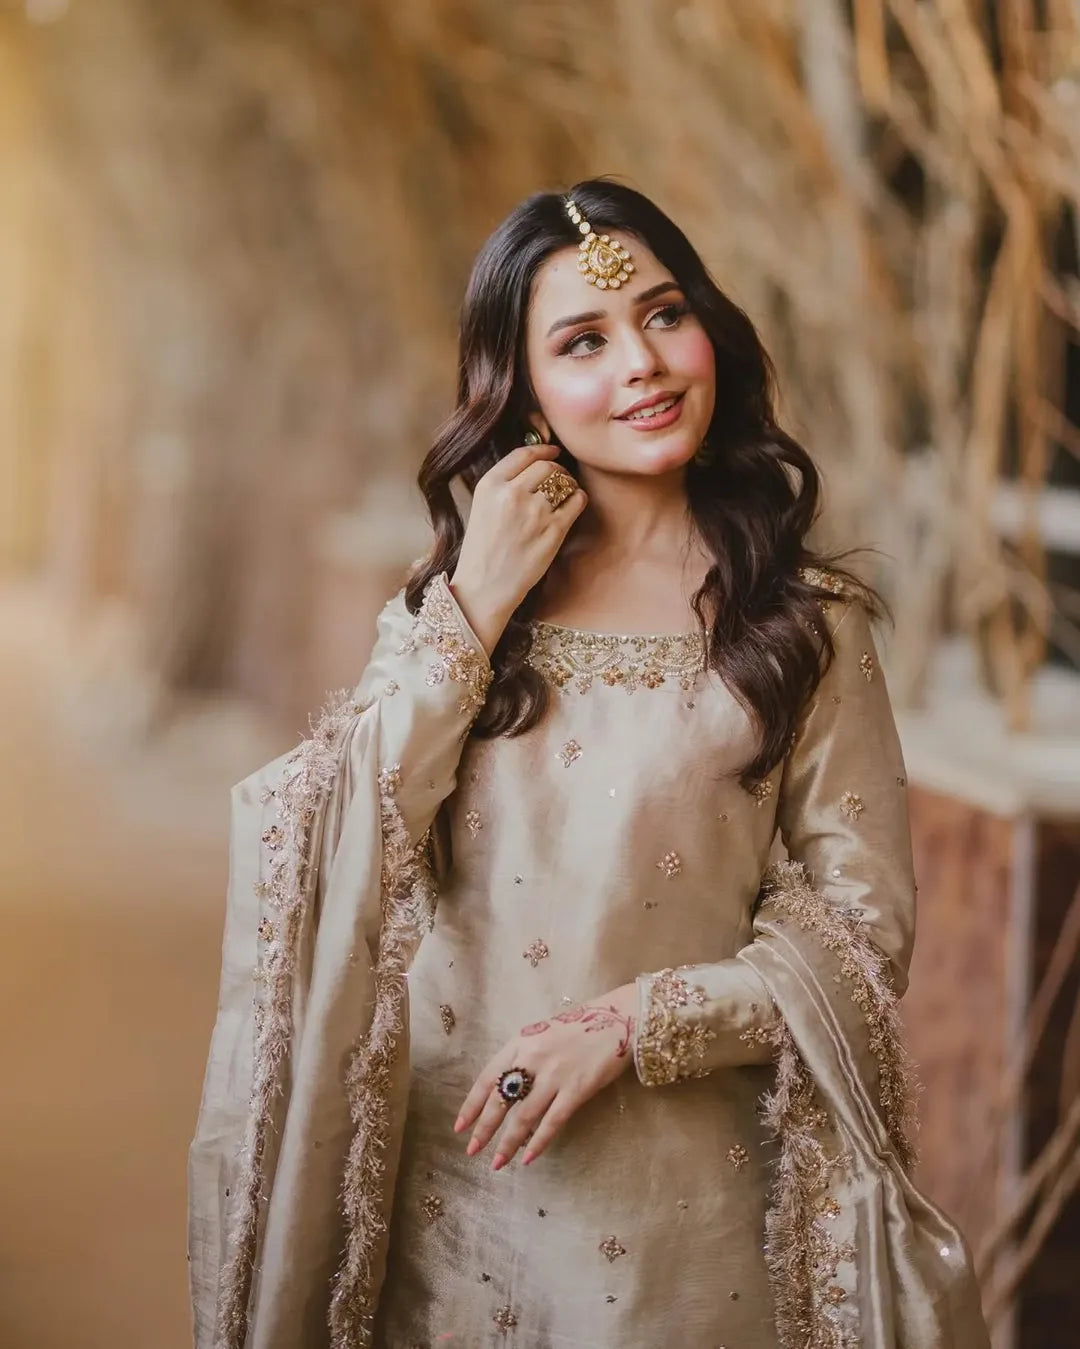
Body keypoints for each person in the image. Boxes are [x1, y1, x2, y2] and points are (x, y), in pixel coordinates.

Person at [188, 179, 989, 1349]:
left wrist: (631, 1022)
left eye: (664, 315)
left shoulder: (802, 623)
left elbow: (863, 939)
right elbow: (342, 837)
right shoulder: (457, 610)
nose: (643, 364)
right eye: (583, 341)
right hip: (452, 1199)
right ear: (524, 394)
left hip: (689, 1224)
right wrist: (475, 605)